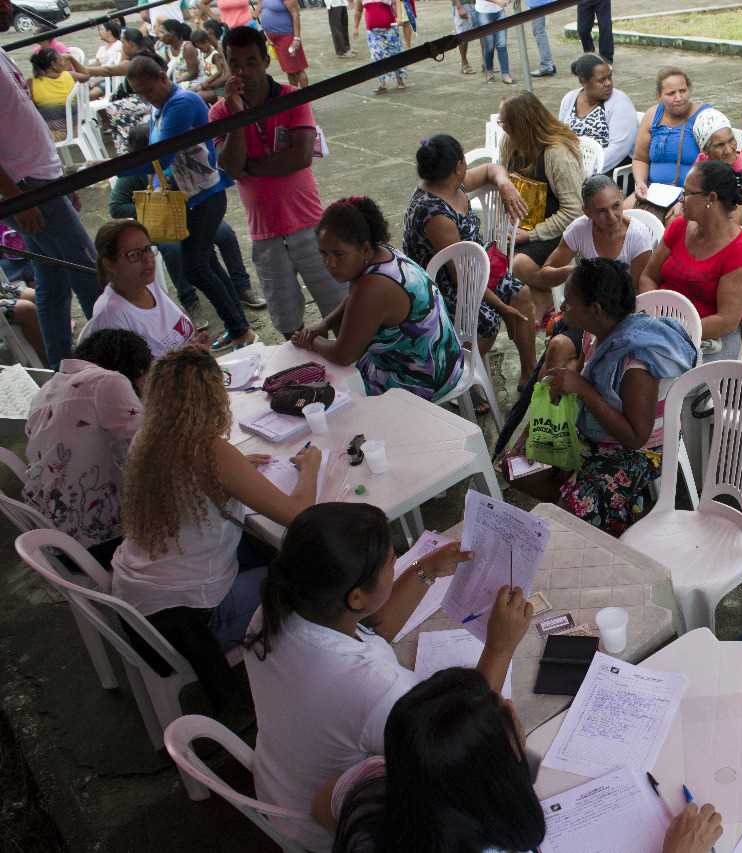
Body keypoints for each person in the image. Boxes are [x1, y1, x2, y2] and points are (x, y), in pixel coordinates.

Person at [243, 502, 527, 850]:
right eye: (392, 561)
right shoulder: (374, 687)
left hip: (281, 785)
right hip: (334, 826)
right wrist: (500, 646)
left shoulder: (277, 608)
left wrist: (426, 571)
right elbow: (458, 739)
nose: (398, 562)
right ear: (357, 596)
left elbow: (368, 627)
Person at [314, 669, 727, 853]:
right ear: (494, 777)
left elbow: (321, 803)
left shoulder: (377, 784)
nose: (511, 704)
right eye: (501, 712)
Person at [111, 346, 320, 705]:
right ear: (213, 398)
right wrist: (311, 467)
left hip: (140, 599)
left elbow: (193, 484)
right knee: (313, 575)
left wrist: (236, 471)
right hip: (197, 619)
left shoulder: (147, 439)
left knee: (263, 549)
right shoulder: (210, 452)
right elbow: (300, 515)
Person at [516, 258, 695, 535]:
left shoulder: (636, 362)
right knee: (517, 467)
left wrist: (582, 389)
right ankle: (591, 513)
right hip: (597, 431)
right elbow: (588, 370)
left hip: (639, 451)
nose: (562, 308)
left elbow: (636, 437)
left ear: (595, 309)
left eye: (569, 303)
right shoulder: (595, 333)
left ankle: (597, 520)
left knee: (570, 514)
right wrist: (566, 377)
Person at [212, 26, 350, 336]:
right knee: (288, 322)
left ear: (265, 61)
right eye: (235, 63)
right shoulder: (221, 112)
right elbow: (233, 168)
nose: (243, 71)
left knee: (339, 307)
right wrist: (238, 120)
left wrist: (251, 166)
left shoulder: (291, 97)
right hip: (264, 232)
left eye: (251, 62)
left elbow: (300, 157)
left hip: (309, 223)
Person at [116, 55, 255, 351]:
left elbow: (161, 155)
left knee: (195, 267)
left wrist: (112, 168)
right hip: (191, 197)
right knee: (207, 263)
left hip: (205, 195)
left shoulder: (181, 103)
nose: (146, 98)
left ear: (163, 79)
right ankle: (239, 326)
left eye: (149, 90)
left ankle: (241, 329)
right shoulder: (161, 109)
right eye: (139, 93)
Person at [0, 10, 103, 370]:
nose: (9, 6)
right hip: (28, 188)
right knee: (89, 272)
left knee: (52, 282)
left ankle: (64, 369)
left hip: (40, 181)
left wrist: (58, 179)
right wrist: (16, 198)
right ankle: (116, 363)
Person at [293, 197, 464, 402]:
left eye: (338, 254)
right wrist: (326, 323)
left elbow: (343, 355)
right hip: (445, 358)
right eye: (323, 253)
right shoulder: (382, 253)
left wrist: (311, 341)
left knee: (327, 396)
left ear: (364, 249)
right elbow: (353, 299)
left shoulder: (373, 286)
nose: (330, 263)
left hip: (421, 378)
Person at [403, 134, 536, 385]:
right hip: (442, 287)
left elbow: (490, 169)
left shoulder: (452, 184)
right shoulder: (434, 213)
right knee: (487, 320)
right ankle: (461, 377)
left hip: (475, 270)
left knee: (523, 295)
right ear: (458, 166)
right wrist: (502, 308)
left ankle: (530, 370)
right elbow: (463, 279)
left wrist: (504, 183)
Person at [110, 123, 262, 326]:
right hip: (165, 224)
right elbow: (116, 206)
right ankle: (190, 301)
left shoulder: (178, 159)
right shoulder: (138, 170)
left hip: (196, 214)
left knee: (224, 235)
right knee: (174, 251)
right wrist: (153, 209)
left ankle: (241, 287)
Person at [23, 328, 151, 566]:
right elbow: (156, 446)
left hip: (57, 544)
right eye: (144, 378)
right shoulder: (108, 381)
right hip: (103, 543)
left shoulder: (46, 391)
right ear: (134, 370)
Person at [638, 160, 742, 362]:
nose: (681, 199)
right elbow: (648, 276)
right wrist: (652, 315)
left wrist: (673, 330)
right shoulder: (679, 227)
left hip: (708, 341)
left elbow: (727, 321)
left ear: (711, 198)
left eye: (687, 193)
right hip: (658, 325)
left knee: (640, 371)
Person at [501, 92, 586, 320]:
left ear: (522, 125)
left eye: (505, 123)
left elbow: (573, 211)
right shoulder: (510, 143)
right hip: (523, 226)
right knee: (493, 259)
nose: (502, 128)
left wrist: (529, 236)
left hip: (555, 229)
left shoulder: (556, 154)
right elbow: (502, 172)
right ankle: (545, 309)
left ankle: (567, 291)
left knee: (518, 264)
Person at [79, 220, 209, 357]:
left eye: (147, 249)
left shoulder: (148, 284)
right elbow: (132, 377)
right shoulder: (111, 317)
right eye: (134, 254)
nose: (147, 259)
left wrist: (194, 347)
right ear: (110, 264)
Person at [531, 174, 654, 295]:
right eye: (602, 211)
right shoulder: (579, 229)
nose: (612, 217)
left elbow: (638, 291)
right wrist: (574, 272)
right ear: (587, 212)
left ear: (622, 198)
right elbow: (544, 276)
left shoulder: (639, 236)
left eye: (616, 206)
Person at [627, 67, 710, 210]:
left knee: (674, 225)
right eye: (671, 93)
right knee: (620, 218)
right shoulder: (653, 115)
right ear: (659, 96)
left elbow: (713, 168)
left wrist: (688, 197)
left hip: (691, 196)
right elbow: (640, 158)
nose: (679, 97)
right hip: (652, 192)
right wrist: (640, 183)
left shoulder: (704, 117)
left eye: (683, 91)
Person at [676, 108, 742, 231]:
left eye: (731, 140)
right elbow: (688, 201)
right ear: (705, 150)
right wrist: (726, 213)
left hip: (738, 234)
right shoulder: (702, 160)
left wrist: (701, 209)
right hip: (705, 229)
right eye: (720, 145)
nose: (729, 150)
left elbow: (733, 222)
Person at [557, 54, 638, 174]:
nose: (608, 83)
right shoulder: (569, 99)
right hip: (573, 167)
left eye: (609, 77)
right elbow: (561, 137)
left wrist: (587, 169)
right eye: (601, 80)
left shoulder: (620, 102)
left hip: (608, 169)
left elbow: (618, 149)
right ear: (584, 81)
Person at [353, 0, 406, 93]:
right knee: (376, 56)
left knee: (395, 54)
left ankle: (399, 79)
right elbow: (358, 11)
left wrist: (399, 18)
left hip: (390, 29)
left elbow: (395, 4)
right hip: (373, 32)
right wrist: (356, 28)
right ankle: (382, 83)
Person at [258, 0, 308, 87]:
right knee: (289, 71)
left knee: (298, 70)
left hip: (287, 36)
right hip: (275, 40)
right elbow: (259, 11)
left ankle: (307, 96)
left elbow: (295, 14)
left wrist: (296, 39)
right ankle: (295, 95)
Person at [473, 0, 513, 85]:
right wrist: (498, 1)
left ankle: (505, 73)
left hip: (499, 11)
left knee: (502, 44)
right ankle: (489, 71)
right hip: (483, 12)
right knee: (489, 46)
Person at [156, 18, 201, 86]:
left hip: (194, 82)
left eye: (162, 32)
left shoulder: (187, 48)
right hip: (179, 82)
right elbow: (170, 70)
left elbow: (193, 73)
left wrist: (174, 83)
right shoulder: (168, 49)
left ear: (172, 33)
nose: (159, 36)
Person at [527, 0, 557, 77]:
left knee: (539, 32)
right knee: (539, 31)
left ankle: (546, 65)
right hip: (539, 3)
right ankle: (549, 64)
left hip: (538, 3)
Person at [450, 0, 475, 75]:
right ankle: (464, 63)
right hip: (463, 5)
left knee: (484, 33)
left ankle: (486, 63)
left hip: (478, 4)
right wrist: (459, 7)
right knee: (463, 36)